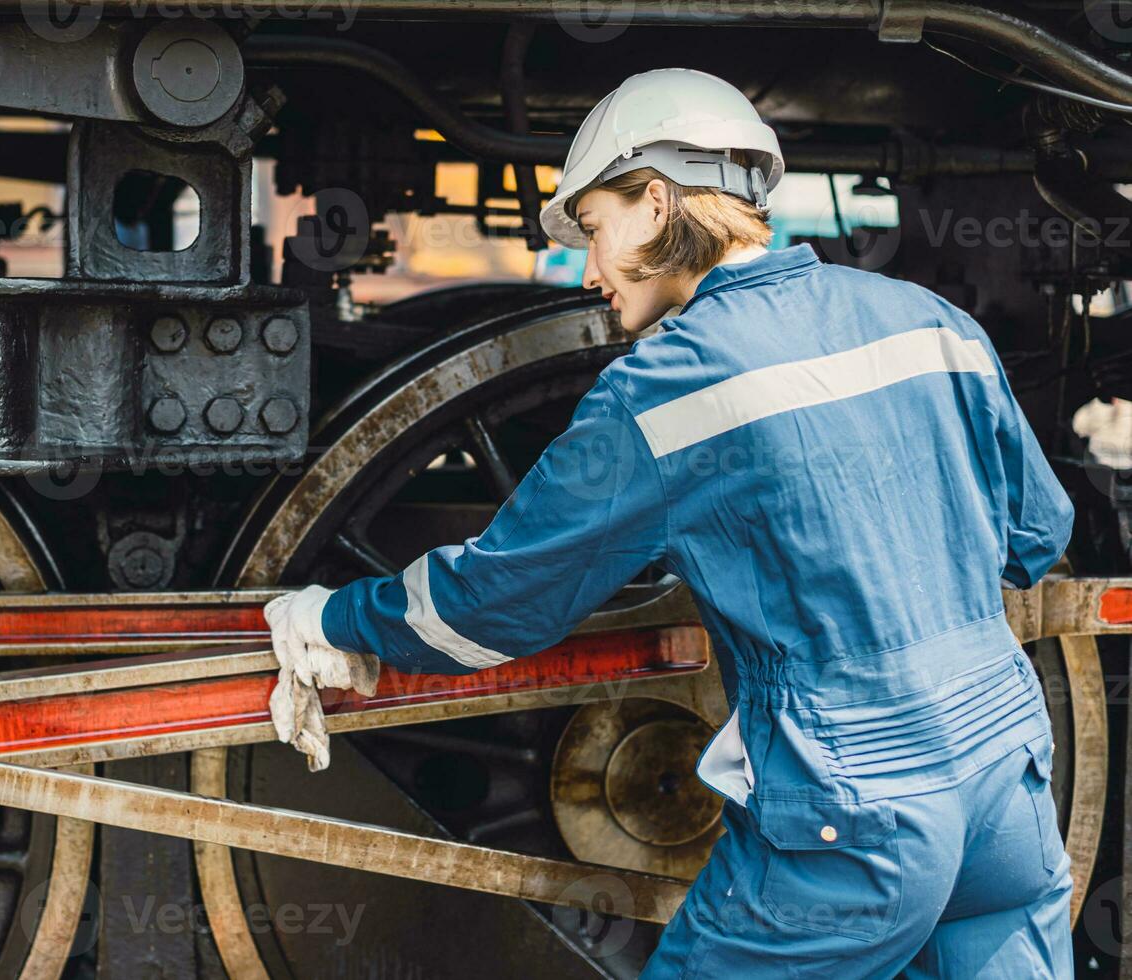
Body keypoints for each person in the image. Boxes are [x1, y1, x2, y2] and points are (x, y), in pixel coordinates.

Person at [263, 68, 1076, 978]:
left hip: (856, 814)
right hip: (1009, 781)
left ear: (655, 203)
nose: (590, 270)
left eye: (596, 229)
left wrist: (328, 619)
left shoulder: (667, 390)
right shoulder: (929, 320)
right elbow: (1036, 536)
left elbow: (495, 604)